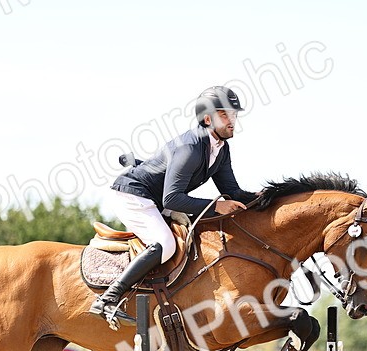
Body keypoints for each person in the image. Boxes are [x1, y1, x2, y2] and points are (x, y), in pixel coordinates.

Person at [89, 85, 258, 326]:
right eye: (225, 115)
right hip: (134, 196)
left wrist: (266, 197)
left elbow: (232, 192)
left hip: (158, 199)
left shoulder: (221, 149)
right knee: (165, 244)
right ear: (208, 118)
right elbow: (172, 199)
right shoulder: (190, 148)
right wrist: (216, 207)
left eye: (234, 115)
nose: (232, 121)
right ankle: (108, 298)